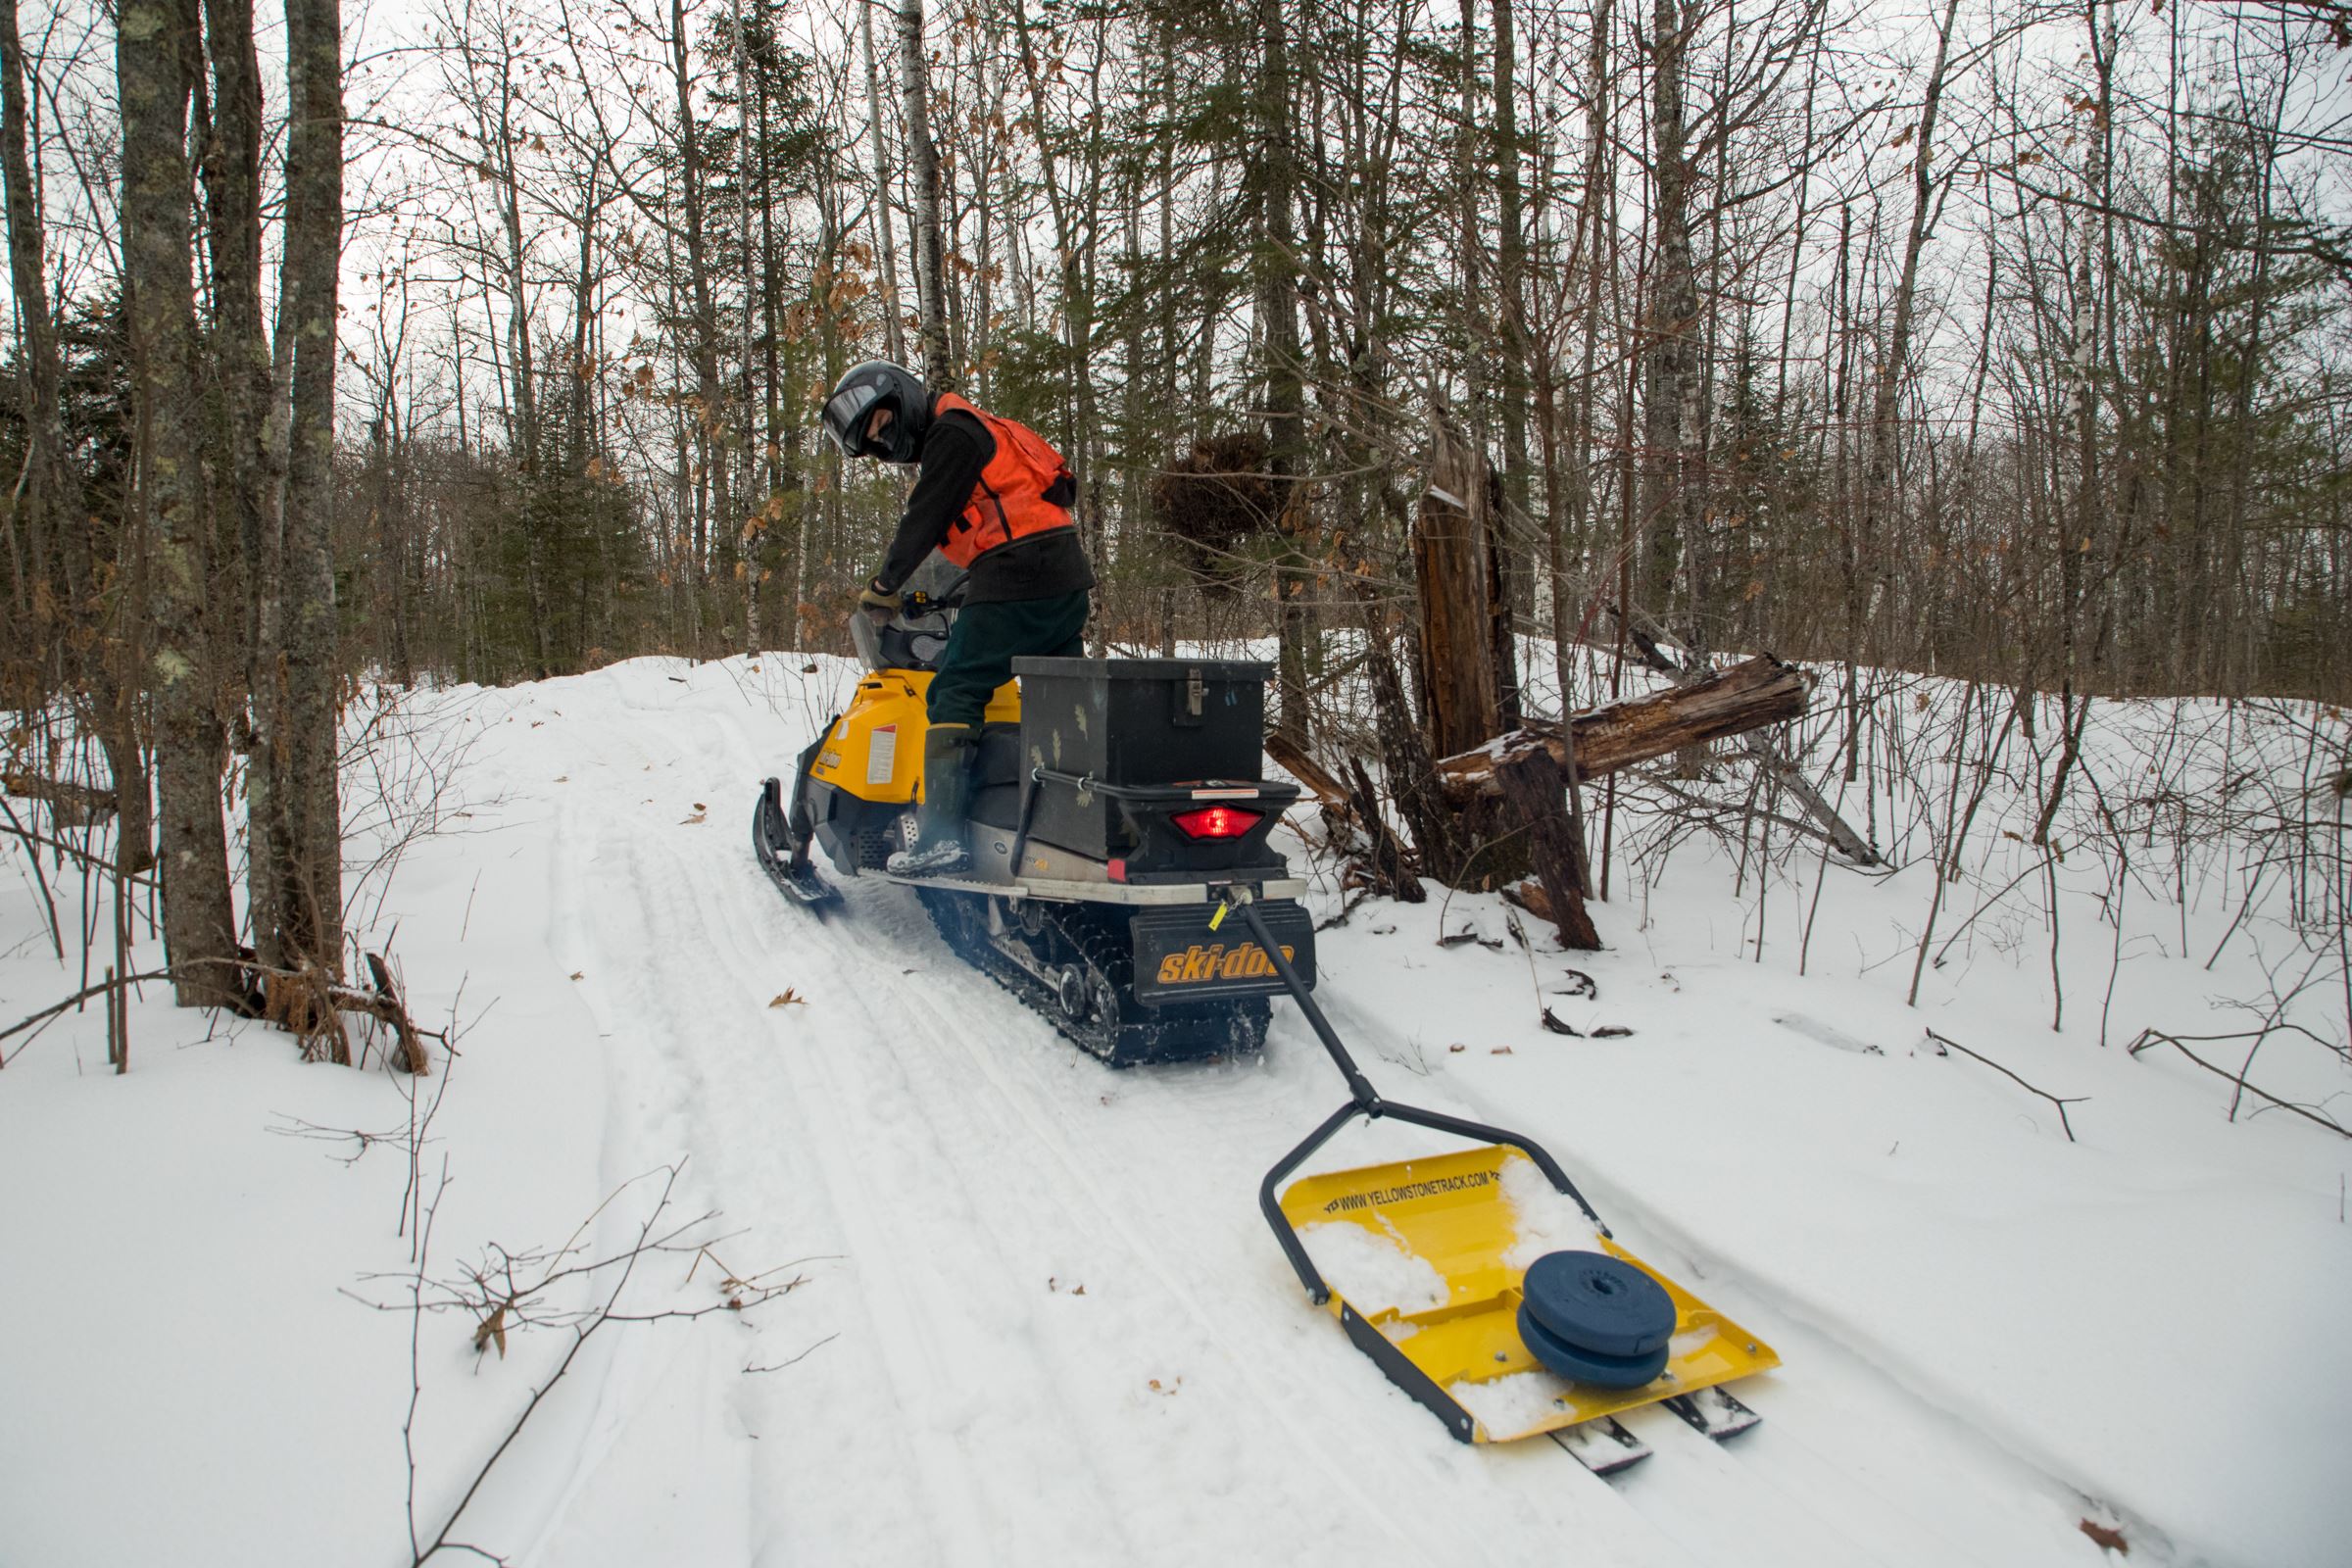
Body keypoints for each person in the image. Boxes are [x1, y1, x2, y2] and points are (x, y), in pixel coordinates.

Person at [820, 360, 1094, 876]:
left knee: (956, 691)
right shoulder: (996, 433)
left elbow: (925, 516)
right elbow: (1047, 498)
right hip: (1066, 580)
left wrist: (884, 586)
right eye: (873, 443)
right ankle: (1077, 817)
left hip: (1016, 577)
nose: (883, 444)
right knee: (1060, 697)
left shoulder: (952, 433)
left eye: (881, 426)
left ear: (902, 399)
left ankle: (942, 837)